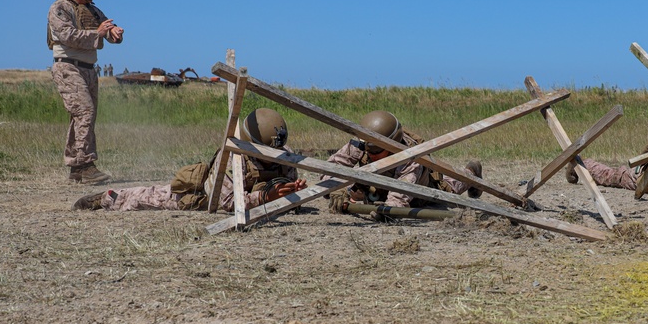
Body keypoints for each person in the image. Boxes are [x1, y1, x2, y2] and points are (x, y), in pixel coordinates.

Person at [72, 108, 307, 212]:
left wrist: (291, 194)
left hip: (250, 195)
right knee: (147, 199)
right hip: (204, 194)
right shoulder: (234, 158)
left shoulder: (283, 151)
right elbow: (228, 203)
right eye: (266, 152)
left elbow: (281, 187)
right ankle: (105, 198)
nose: (272, 157)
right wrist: (266, 197)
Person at [325, 110, 483, 219]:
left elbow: (401, 196)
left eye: (377, 152)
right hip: (378, 186)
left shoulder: (410, 157)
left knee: (450, 190)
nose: (372, 155)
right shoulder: (362, 142)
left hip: (419, 190)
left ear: (392, 144)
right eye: (369, 151)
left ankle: (471, 173)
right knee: (353, 191)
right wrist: (335, 188)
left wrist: (387, 211)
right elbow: (332, 167)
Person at [48, 0, 125, 185]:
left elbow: (108, 28)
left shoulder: (92, 10)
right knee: (85, 111)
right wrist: (98, 33)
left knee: (84, 117)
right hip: (68, 67)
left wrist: (114, 33)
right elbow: (67, 35)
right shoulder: (60, 8)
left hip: (89, 69)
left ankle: (76, 168)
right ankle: (85, 166)